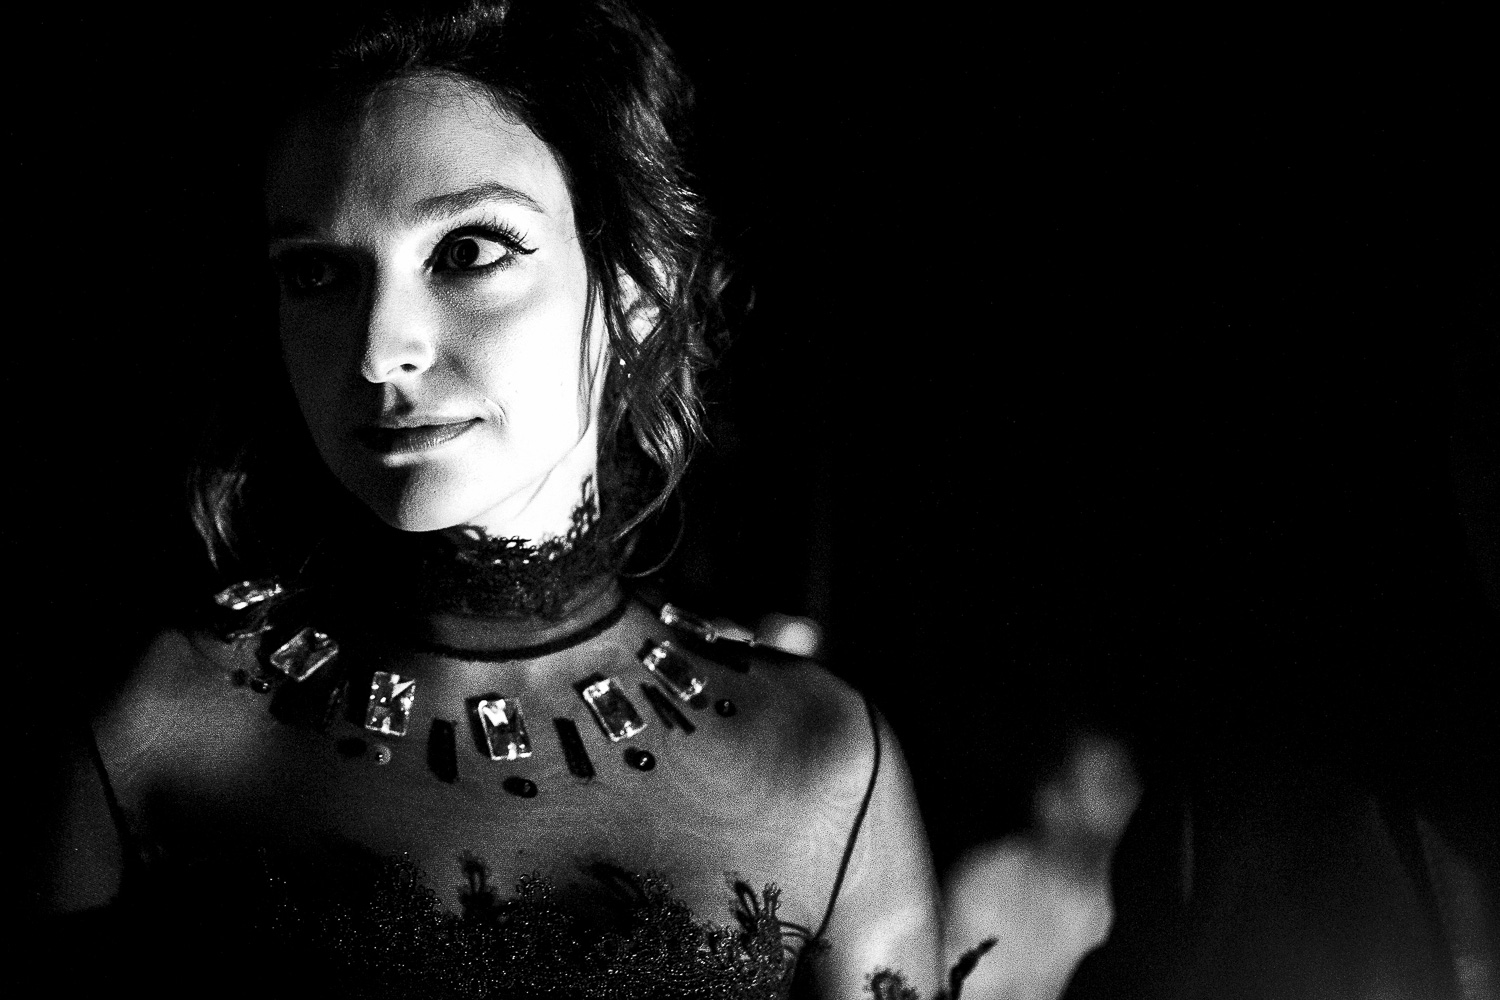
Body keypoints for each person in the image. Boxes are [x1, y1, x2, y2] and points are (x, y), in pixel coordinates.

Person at [37, 2, 952, 995]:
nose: (380, 350)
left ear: (636, 290)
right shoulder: (159, 717)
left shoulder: (819, 764)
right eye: (317, 272)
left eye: (468, 251)